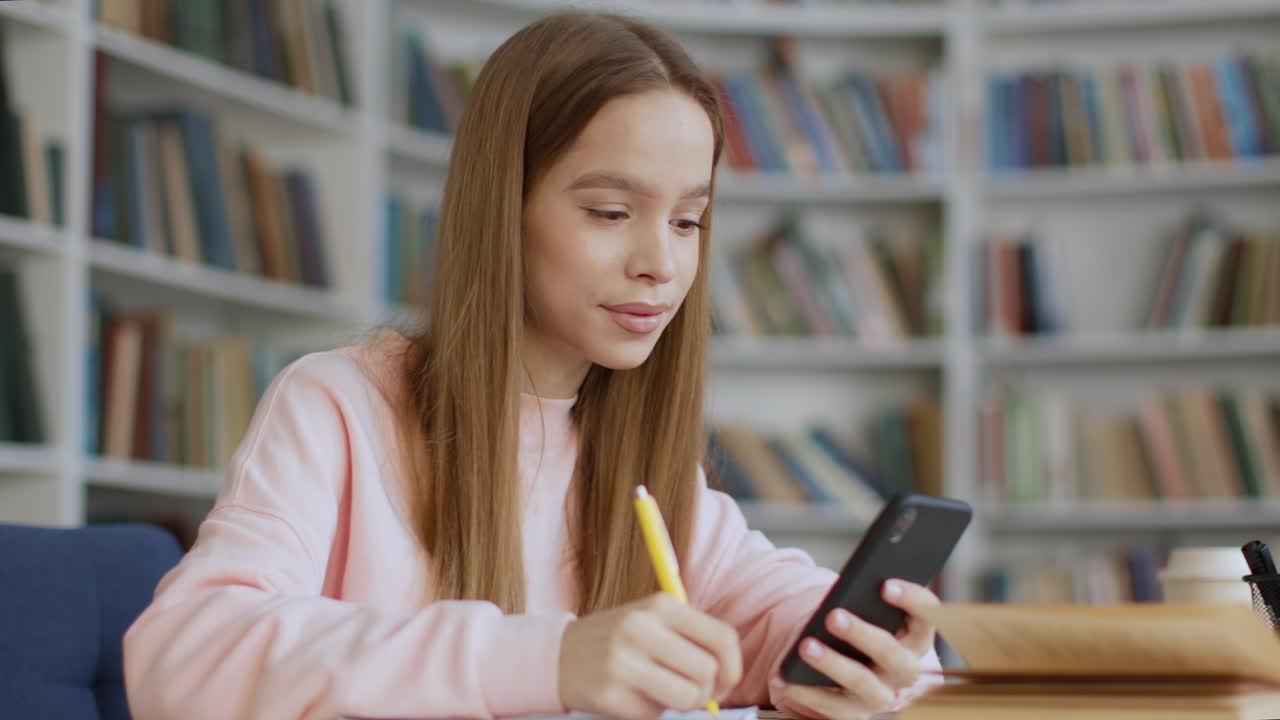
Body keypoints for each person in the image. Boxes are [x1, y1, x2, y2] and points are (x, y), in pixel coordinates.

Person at [123, 11, 942, 720]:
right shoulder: (336, 407)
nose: (660, 264)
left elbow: (783, 611)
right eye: (610, 212)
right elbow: (185, 658)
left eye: (687, 221)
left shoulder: (643, 466)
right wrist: (547, 659)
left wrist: (869, 659)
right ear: (502, 209)